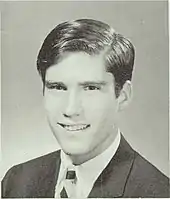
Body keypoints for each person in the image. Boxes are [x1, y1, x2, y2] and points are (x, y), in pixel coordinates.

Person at [1, 19, 169, 198]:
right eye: (58, 87)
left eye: (91, 88)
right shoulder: (16, 182)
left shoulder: (158, 192)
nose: (71, 109)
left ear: (122, 96)